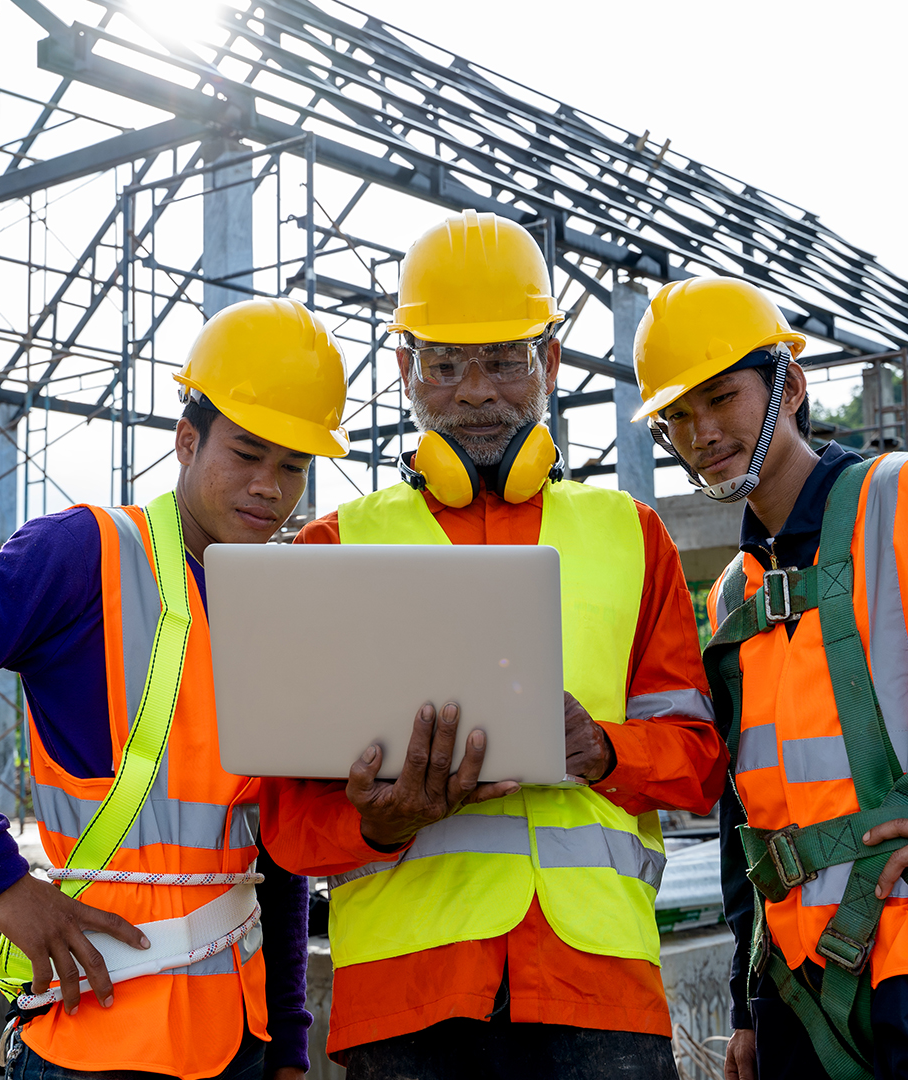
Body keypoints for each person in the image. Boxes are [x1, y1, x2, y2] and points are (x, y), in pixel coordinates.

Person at [263, 210, 729, 1080]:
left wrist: (604, 750)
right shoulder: (331, 550)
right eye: (444, 364)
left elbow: (700, 758)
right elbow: (286, 818)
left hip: (600, 985)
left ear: (548, 364)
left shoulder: (633, 536)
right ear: (406, 372)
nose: (476, 390)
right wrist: (377, 820)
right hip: (409, 998)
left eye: (504, 361)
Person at [0, 297, 352, 1080]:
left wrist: (288, 1042)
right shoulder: (86, 553)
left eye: (293, 466)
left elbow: (275, 846)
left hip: (238, 1041)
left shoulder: (273, 601)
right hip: (98, 1038)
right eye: (248, 453)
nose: (270, 488)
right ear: (187, 440)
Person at [631, 276, 908, 1080]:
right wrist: (744, 1005)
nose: (701, 433)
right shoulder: (734, 593)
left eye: (721, 398)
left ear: (789, 386)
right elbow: (744, 809)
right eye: (677, 417)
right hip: (797, 997)